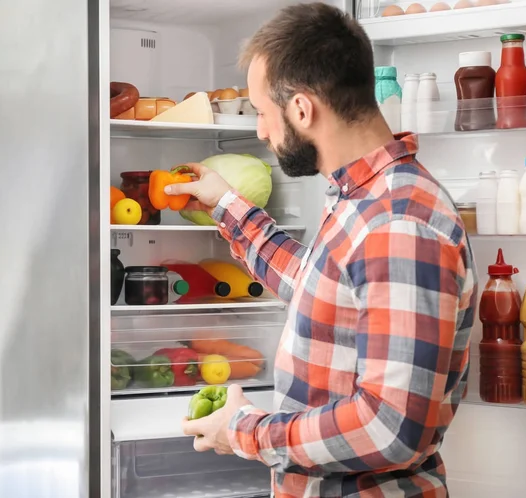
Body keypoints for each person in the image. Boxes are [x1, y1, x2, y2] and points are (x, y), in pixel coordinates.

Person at [165, 3, 477, 497]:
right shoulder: (365, 199)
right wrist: (225, 204)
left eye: (264, 113)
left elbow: (390, 429)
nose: (262, 131)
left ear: (303, 109)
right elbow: (322, 288)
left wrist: (245, 431)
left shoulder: (397, 224)